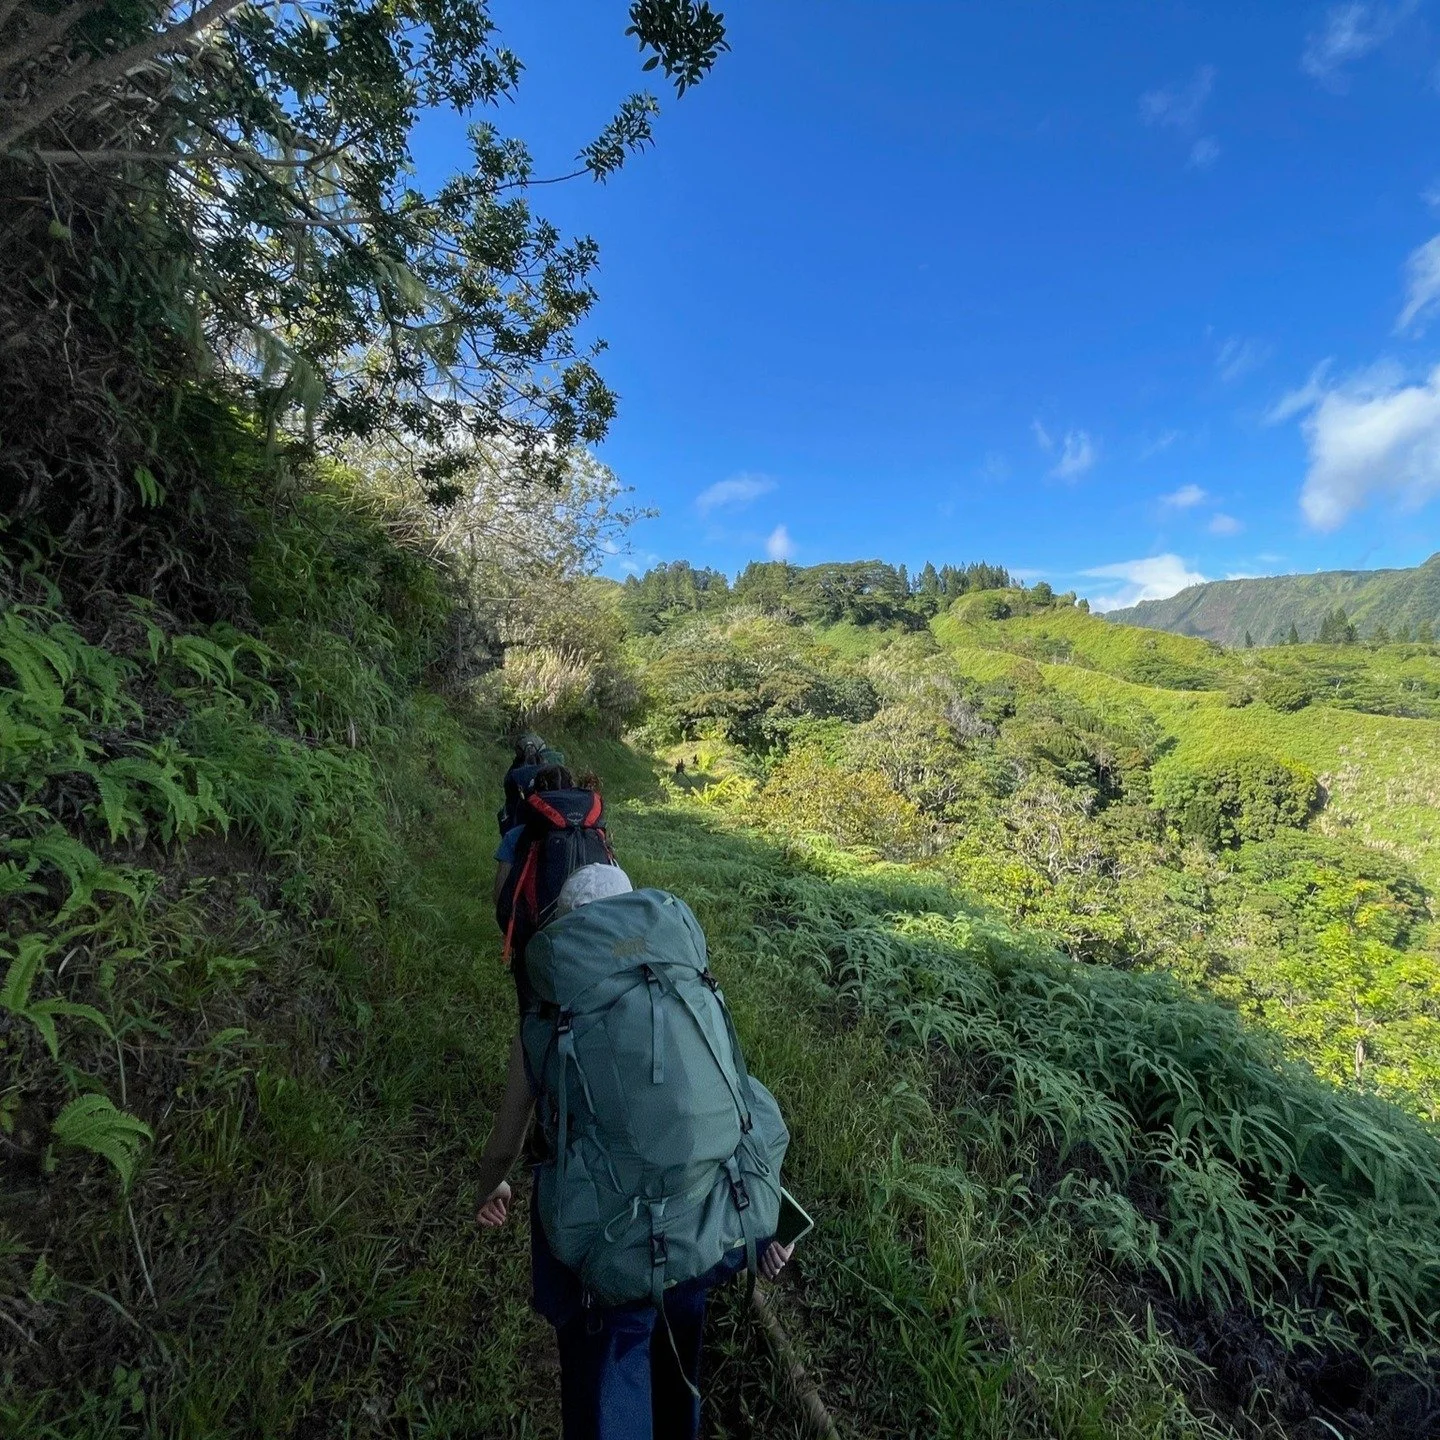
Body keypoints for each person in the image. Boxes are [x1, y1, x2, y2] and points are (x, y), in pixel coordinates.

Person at [476, 864, 793, 1440]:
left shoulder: (547, 1019)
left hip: (612, 1246)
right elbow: (739, 1103)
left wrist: (490, 1185)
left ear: (572, 932)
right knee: (679, 1360)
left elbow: (505, 1140)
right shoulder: (681, 986)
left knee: (608, 1382)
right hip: (702, 1229)